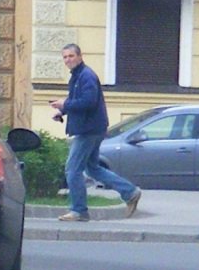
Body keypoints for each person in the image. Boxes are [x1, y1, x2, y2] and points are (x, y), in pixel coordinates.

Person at [49, 44, 141, 222]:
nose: (68, 60)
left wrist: (65, 104)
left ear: (80, 56)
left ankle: (78, 210)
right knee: (92, 168)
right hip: (91, 128)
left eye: (71, 56)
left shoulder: (86, 76)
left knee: (72, 169)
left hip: (88, 130)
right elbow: (78, 100)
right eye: (65, 57)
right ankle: (130, 192)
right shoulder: (78, 76)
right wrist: (62, 111)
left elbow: (88, 102)